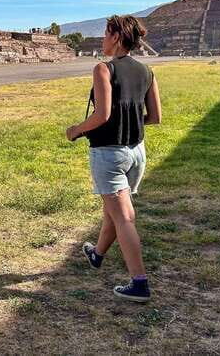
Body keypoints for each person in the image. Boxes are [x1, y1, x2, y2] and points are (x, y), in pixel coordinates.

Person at [65, 15, 162, 303]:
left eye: (106, 34)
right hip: (136, 153)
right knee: (113, 211)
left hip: (110, 153)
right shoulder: (147, 72)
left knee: (124, 218)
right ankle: (97, 255)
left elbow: (102, 115)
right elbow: (155, 118)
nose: (103, 40)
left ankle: (139, 282)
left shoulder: (103, 69)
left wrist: (74, 130)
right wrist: (131, 120)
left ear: (117, 37)